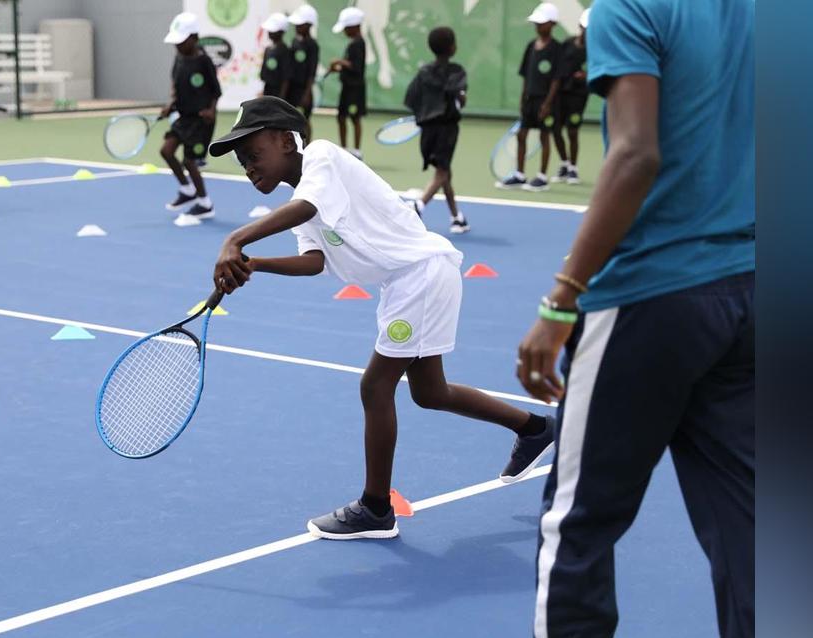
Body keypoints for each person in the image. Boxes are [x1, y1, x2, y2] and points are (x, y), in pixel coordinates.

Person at [504, 0, 755, 638]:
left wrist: (560, 302)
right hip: (756, 294)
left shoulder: (632, 6)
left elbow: (637, 152)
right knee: (754, 528)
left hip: (651, 297)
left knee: (579, 514)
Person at [207, 97, 556, 541]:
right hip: (408, 282)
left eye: (253, 155)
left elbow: (309, 207)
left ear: (285, 140)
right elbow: (314, 261)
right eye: (242, 163)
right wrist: (254, 264)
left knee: (375, 385)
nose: (249, 168)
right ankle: (536, 428)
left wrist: (235, 239)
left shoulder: (322, 158)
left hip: (420, 275)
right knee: (430, 392)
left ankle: (375, 508)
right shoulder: (303, 198)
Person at [403, 26, 469, 234]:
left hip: (428, 130)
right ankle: (419, 205)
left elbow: (411, 98)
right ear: (453, 48)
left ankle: (456, 217)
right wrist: (460, 98)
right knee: (442, 171)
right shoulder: (457, 71)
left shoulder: (423, 72)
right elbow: (459, 97)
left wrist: (423, 116)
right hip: (447, 128)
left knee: (445, 170)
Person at [159, 12, 221, 220]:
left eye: (181, 41)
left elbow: (216, 90)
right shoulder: (179, 58)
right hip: (183, 117)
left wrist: (212, 110)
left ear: (194, 38)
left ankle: (205, 203)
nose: (177, 46)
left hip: (201, 119)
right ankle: (187, 191)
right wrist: (171, 105)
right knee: (166, 151)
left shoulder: (204, 61)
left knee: (189, 161)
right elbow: (175, 84)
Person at [496, 2, 563, 192]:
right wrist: (522, 98)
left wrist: (547, 104)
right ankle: (519, 175)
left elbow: (556, 80)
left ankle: (542, 177)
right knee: (522, 135)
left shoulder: (557, 49)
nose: (537, 26)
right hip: (530, 101)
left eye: (541, 23)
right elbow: (526, 75)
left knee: (544, 136)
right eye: (536, 23)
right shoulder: (531, 46)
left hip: (546, 102)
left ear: (552, 24)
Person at [551, 8, 590, 184]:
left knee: (572, 131)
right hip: (561, 94)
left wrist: (586, 76)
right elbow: (557, 70)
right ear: (579, 27)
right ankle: (564, 164)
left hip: (579, 96)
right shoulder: (566, 44)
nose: (586, 32)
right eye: (584, 28)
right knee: (556, 129)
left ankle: (573, 169)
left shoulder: (595, 49)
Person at [329, 7, 367, 159]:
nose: (344, 31)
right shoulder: (353, 43)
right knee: (341, 117)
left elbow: (356, 67)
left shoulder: (358, 43)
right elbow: (350, 66)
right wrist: (338, 69)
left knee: (354, 118)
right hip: (347, 88)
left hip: (355, 90)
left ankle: (357, 150)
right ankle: (344, 148)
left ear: (355, 27)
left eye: (346, 28)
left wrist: (339, 62)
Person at [284, 4, 320, 142]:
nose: (296, 27)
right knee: (289, 119)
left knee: (305, 120)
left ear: (309, 25)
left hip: (304, 89)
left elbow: (312, 72)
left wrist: (307, 94)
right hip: (291, 89)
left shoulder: (313, 45)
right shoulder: (294, 41)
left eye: (300, 24)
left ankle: (308, 147)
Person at [259, 13, 293, 99]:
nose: (269, 33)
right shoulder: (268, 49)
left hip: (278, 93)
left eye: (273, 30)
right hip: (268, 90)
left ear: (281, 32)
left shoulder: (285, 51)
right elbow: (264, 74)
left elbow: (286, 77)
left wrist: (282, 96)